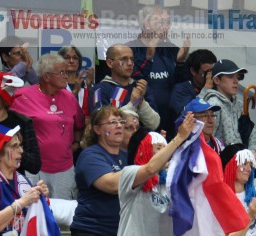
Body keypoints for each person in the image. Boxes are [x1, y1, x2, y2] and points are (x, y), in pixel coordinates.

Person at [115, 115, 194, 236]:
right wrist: (178, 138)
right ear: (142, 150)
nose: (165, 153)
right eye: (159, 148)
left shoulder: (171, 180)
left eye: (166, 148)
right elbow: (150, 168)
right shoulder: (129, 173)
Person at [11, 54, 85, 199]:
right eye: (62, 73)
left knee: (63, 216)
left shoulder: (69, 97)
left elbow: (80, 124)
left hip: (65, 167)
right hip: (34, 169)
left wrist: (76, 143)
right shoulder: (22, 96)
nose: (66, 76)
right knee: (35, 212)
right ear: (46, 77)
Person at [128, 4, 190, 141]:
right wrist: (148, 56)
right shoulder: (130, 49)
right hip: (141, 124)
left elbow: (180, 87)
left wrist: (180, 63)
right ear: (147, 23)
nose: (166, 27)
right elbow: (131, 82)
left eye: (168, 22)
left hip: (170, 123)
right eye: (161, 22)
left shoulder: (172, 50)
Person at [71, 106, 127, 236]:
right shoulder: (90, 155)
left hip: (121, 235)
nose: (119, 125)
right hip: (93, 234)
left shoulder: (126, 157)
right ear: (97, 129)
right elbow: (112, 184)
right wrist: (144, 167)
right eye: (112, 122)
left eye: (121, 121)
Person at [89, 43, 160, 131]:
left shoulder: (140, 87)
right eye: (124, 59)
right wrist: (132, 104)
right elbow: (101, 123)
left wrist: (141, 102)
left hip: (138, 143)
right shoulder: (99, 90)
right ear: (110, 63)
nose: (130, 63)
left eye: (132, 59)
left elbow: (154, 124)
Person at [199, 59, 256, 153]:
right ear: (216, 80)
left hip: (243, 163)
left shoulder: (239, 105)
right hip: (222, 163)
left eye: (237, 77)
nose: (236, 81)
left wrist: (253, 154)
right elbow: (205, 142)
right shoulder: (213, 105)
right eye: (230, 77)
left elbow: (253, 136)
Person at [170, 49, 217, 117]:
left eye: (212, 71)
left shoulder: (216, 87)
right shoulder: (180, 90)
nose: (209, 76)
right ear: (193, 71)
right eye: (206, 72)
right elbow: (187, 115)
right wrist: (206, 89)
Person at [58, 45, 94, 116]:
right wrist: (76, 90)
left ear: (79, 62)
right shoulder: (56, 85)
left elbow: (97, 108)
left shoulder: (87, 84)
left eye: (75, 58)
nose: (71, 61)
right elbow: (60, 108)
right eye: (67, 58)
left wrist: (90, 87)